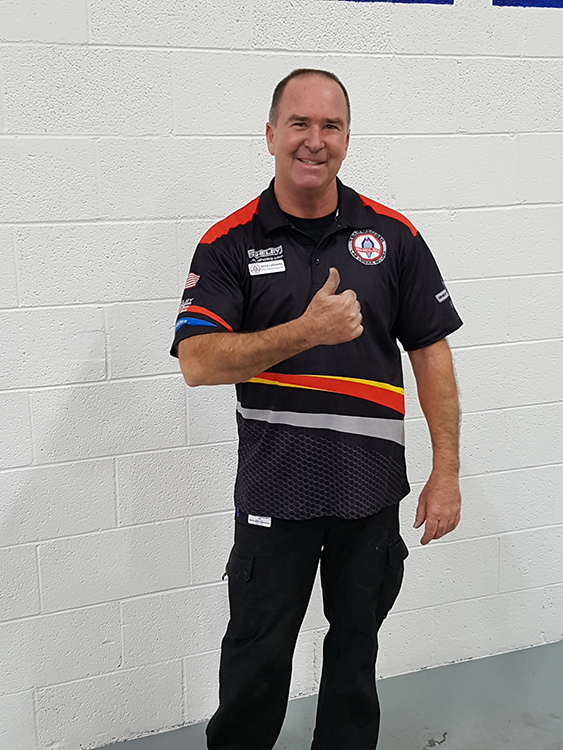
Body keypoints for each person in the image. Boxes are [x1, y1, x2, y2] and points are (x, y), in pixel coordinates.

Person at [170, 69, 462, 750]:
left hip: (369, 496)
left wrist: (445, 471)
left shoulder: (393, 236)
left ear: (347, 139)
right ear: (270, 135)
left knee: (355, 660)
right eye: (298, 124)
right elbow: (197, 362)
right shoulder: (229, 242)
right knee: (256, 664)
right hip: (275, 497)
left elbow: (431, 355)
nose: (314, 140)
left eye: (330, 126)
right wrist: (305, 331)